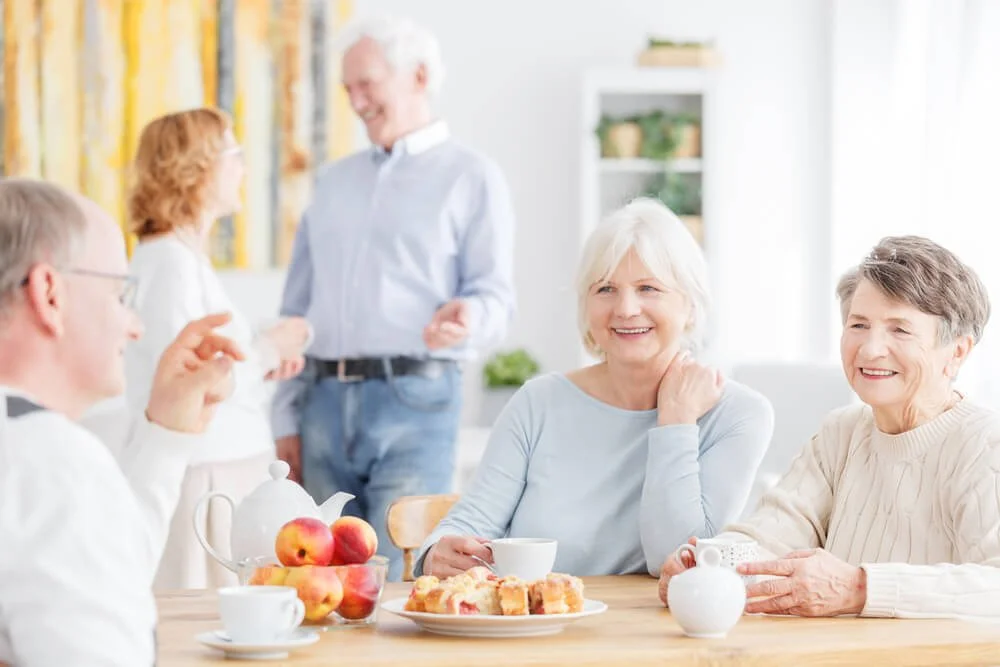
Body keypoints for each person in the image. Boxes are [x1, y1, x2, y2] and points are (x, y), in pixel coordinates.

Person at [271, 14, 516, 579]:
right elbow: (295, 312)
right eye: (347, 89)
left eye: (367, 84)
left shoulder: (472, 176)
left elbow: (495, 297)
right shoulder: (332, 183)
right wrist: (285, 415)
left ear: (419, 75)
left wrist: (469, 317)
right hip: (323, 404)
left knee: (399, 576)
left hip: (417, 399)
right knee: (321, 579)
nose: (356, 101)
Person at [418, 198, 774, 578]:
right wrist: (433, 555)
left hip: (659, 633)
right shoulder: (538, 403)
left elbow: (675, 561)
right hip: (540, 625)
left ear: (690, 304)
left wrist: (676, 422)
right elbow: (474, 518)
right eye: (605, 289)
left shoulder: (739, 414)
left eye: (648, 288)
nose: (625, 309)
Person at [658, 235, 1000, 620]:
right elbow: (772, 533)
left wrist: (861, 588)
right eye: (859, 324)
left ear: (957, 352)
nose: (870, 349)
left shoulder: (985, 445)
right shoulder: (843, 432)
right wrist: (709, 562)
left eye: (899, 330)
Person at [0, 179, 243, 665]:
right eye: (119, 293)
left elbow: (106, 574)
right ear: (50, 294)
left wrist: (167, 436)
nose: (135, 326)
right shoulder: (51, 461)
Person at [124, 108, 312, 589]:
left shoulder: (182, 260)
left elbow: (211, 367)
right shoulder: (170, 264)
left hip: (220, 472)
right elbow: (190, 384)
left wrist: (262, 358)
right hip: (207, 479)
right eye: (235, 154)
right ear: (196, 167)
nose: (243, 168)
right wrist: (268, 350)